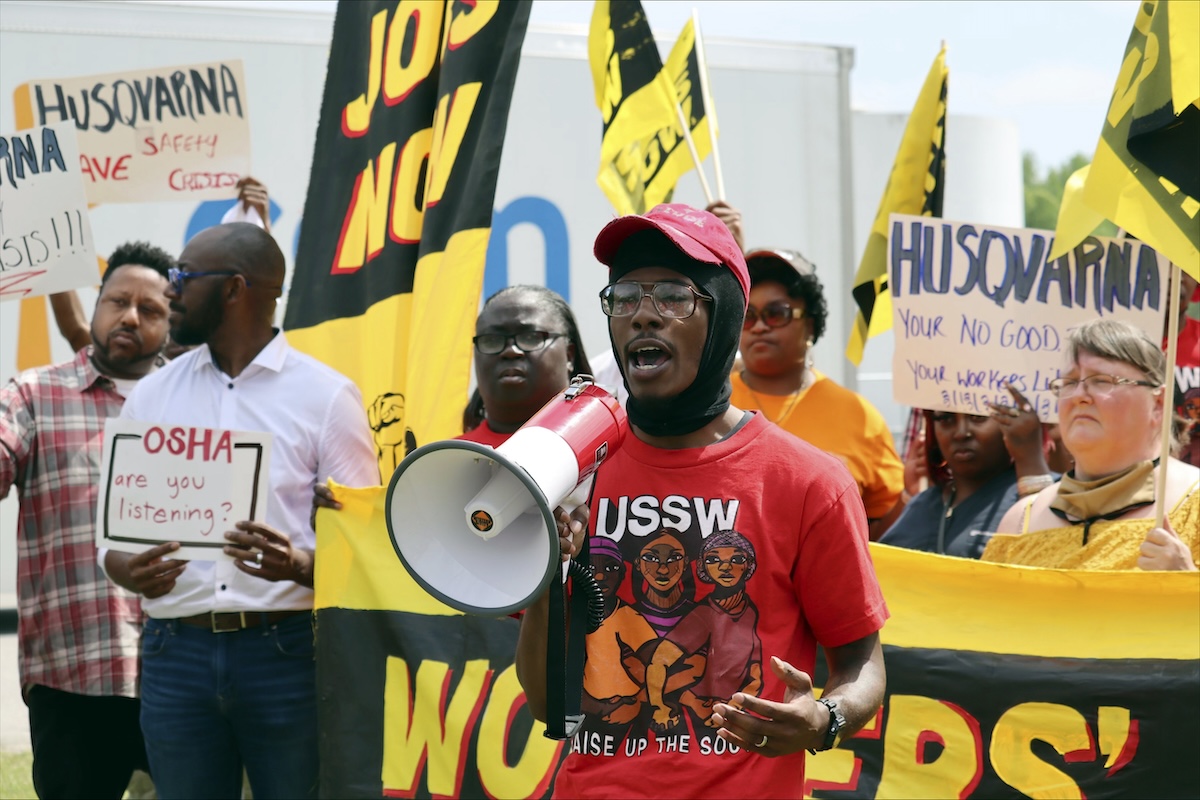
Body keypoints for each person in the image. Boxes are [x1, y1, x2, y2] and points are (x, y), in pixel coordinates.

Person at [515, 203, 888, 798]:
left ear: (724, 315)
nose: (643, 317)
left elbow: (862, 661)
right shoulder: (572, 470)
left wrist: (826, 720)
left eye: (672, 297)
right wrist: (543, 574)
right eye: (627, 297)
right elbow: (544, 704)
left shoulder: (809, 482)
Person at [101, 222, 379, 800]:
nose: (169, 291)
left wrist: (300, 565)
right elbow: (113, 543)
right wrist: (131, 570)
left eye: (182, 277)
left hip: (285, 653)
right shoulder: (151, 396)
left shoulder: (327, 397)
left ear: (234, 289)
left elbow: (369, 553)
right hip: (174, 653)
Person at [0, 242, 174, 799]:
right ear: (95, 306)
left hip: (185, 678)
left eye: (151, 310)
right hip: (72, 674)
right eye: (118, 300)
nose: (130, 316)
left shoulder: (200, 401)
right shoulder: (33, 394)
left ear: (173, 324)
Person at [984, 319, 1199, 570]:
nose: (1078, 396)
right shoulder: (1020, 522)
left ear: (1158, 403)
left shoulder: (1194, 502)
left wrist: (1187, 584)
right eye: (1069, 382)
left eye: (1102, 380)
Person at [731, 247, 906, 539]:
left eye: (776, 314)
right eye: (748, 316)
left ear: (809, 323)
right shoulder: (707, 406)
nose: (760, 327)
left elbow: (887, 521)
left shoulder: (860, 416)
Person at [880, 385, 1054, 558]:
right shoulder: (922, 504)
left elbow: (1048, 557)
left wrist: (1030, 458)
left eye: (977, 417)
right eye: (945, 418)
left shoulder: (1048, 495)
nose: (961, 433)